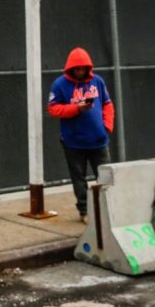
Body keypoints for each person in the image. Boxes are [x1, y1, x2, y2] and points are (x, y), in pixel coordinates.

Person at [47, 47, 115, 223]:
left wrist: (106, 126)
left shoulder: (97, 81)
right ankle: (85, 211)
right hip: (73, 142)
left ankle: (110, 209)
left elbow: (107, 104)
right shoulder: (60, 84)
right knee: (79, 179)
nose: (80, 71)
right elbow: (53, 109)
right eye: (77, 68)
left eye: (83, 68)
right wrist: (77, 108)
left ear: (87, 67)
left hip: (99, 141)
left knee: (106, 177)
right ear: (71, 69)